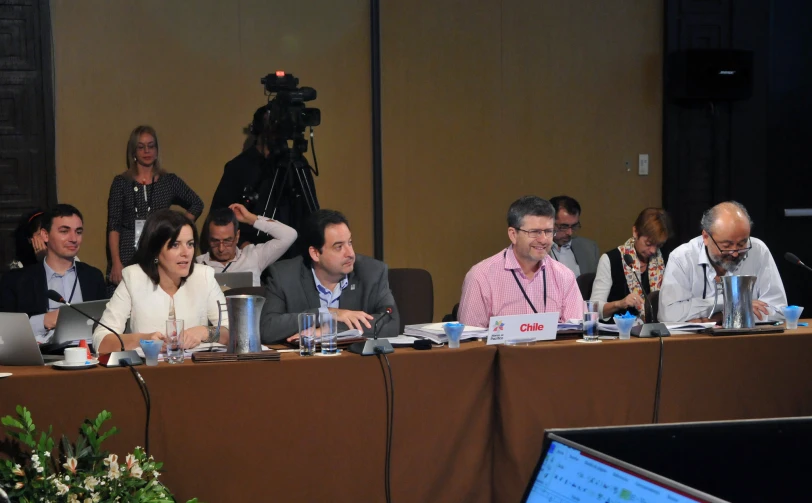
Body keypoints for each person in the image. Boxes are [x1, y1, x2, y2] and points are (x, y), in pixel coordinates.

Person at [93, 209, 229, 354]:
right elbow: (101, 341)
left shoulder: (203, 276)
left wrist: (205, 332)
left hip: (195, 371)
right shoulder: (134, 278)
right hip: (149, 370)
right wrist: (143, 340)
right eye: (175, 245)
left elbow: (233, 331)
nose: (186, 252)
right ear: (156, 250)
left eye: (189, 244)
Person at [260, 209, 399, 344]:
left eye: (350, 243)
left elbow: (390, 322)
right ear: (315, 253)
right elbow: (268, 328)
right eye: (339, 247)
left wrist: (329, 330)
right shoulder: (284, 275)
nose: (350, 253)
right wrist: (326, 314)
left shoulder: (372, 272)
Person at [105, 125, 204, 294]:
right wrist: (116, 261)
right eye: (141, 147)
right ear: (134, 152)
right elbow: (113, 224)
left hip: (160, 248)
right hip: (128, 250)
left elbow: (196, 203)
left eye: (151, 146)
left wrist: (176, 230)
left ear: (157, 150)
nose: (147, 151)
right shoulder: (121, 182)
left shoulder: (168, 181)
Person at [458, 196, 584, 328]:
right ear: (513, 234)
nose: (543, 240)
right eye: (535, 232)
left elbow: (576, 334)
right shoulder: (481, 276)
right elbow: (470, 339)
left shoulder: (564, 276)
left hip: (550, 349)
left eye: (548, 231)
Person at [210, 105, 318, 250]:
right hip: (254, 251)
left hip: (294, 253)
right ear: (260, 130)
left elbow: (310, 213)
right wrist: (243, 245)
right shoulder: (239, 167)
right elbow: (220, 214)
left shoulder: (296, 164)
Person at [658, 201, 787, 323]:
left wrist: (721, 316)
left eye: (742, 244)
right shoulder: (682, 258)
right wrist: (733, 302)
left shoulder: (758, 251)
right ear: (706, 237)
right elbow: (668, 315)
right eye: (726, 245)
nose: (735, 253)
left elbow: (778, 311)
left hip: (748, 341)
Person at [0, 205, 107, 344]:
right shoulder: (16, 280)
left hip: (88, 356)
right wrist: (44, 321)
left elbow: (106, 325)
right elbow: (6, 331)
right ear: (45, 235)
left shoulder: (93, 277)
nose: (74, 239)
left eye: (78, 232)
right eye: (64, 231)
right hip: (39, 360)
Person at [590, 208, 673, 321]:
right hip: (620, 333)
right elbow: (593, 309)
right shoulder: (611, 259)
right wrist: (619, 303)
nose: (653, 251)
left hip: (655, 330)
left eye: (659, 245)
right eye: (648, 243)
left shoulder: (666, 259)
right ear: (635, 232)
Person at [196, 203, 297, 287]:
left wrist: (250, 218)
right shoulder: (197, 266)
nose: (221, 248)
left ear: (237, 236)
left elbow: (289, 235)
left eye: (227, 241)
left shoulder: (253, 256)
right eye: (215, 241)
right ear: (208, 238)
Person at [548, 195, 600, 277]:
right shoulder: (534, 248)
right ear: (548, 221)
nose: (570, 232)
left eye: (574, 226)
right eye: (564, 226)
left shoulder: (590, 248)